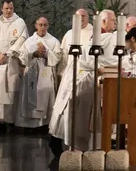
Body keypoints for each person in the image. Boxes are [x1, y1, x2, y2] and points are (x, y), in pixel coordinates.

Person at [49, 10, 116, 153]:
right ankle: (72, 144)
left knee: (77, 111)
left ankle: (78, 144)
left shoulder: (100, 34)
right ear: (104, 21)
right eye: (113, 20)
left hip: (84, 74)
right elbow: (89, 59)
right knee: (75, 111)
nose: (115, 23)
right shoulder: (102, 35)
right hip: (82, 75)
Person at [0, 0, 28, 126]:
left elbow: (21, 40)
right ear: (1, 9)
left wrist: (8, 53)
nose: (9, 11)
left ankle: (9, 121)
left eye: (11, 8)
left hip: (11, 61)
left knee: (10, 90)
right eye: (6, 8)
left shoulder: (19, 22)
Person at [15, 17, 61, 129]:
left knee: (45, 96)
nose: (42, 27)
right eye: (40, 25)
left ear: (48, 26)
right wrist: (33, 54)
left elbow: (58, 56)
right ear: (36, 26)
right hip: (32, 72)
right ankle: (29, 125)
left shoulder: (54, 41)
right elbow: (22, 57)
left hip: (46, 71)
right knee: (31, 96)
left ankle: (44, 124)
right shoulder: (29, 41)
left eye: (45, 25)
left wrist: (46, 54)